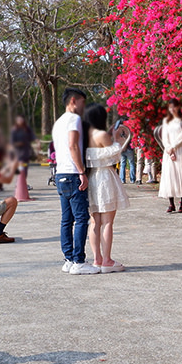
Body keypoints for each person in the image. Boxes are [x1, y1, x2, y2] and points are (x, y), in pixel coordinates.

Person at [53, 89, 98, 274]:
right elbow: (72, 146)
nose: (83, 107)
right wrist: (82, 172)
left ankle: (69, 259)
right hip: (72, 174)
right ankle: (79, 261)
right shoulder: (73, 120)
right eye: (82, 102)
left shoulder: (58, 122)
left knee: (66, 220)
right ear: (73, 100)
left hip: (60, 173)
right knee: (81, 218)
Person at [84, 105, 131, 273]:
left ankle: (96, 258)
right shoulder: (101, 134)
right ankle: (107, 260)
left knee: (94, 221)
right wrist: (117, 138)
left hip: (91, 178)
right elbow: (115, 154)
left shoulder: (84, 136)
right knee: (108, 222)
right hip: (104, 177)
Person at [158, 99, 182, 213]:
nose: (172, 109)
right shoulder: (166, 121)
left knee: (181, 175)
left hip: (180, 150)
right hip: (169, 151)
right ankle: (171, 204)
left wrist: (173, 147)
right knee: (170, 176)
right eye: (170, 107)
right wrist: (168, 148)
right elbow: (164, 137)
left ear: (178, 107)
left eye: (174, 107)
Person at [11, 115, 36, 181]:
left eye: (21, 120)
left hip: (26, 152)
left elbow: (33, 136)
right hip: (18, 152)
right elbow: (12, 142)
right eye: (18, 120)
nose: (20, 121)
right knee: (21, 168)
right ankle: (20, 182)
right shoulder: (14, 130)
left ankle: (23, 182)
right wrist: (18, 143)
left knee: (25, 168)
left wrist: (37, 141)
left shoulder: (27, 128)